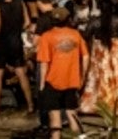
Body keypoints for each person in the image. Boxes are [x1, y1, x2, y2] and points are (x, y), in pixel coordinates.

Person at [37, 7, 88, 139]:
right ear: (68, 20)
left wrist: (42, 84)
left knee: (55, 118)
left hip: (53, 81)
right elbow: (86, 56)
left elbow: (44, 63)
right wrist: (83, 76)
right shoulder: (76, 34)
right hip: (72, 81)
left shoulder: (46, 36)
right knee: (72, 114)